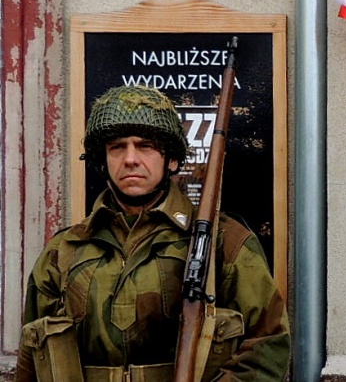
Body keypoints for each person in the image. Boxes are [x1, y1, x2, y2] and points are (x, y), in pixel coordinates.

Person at [15, 85, 290, 381]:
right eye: (117, 146)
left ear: (171, 159)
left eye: (145, 145)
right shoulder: (63, 251)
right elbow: (33, 353)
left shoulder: (223, 243)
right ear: (103, 161)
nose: (130, 158)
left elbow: (266, 346)